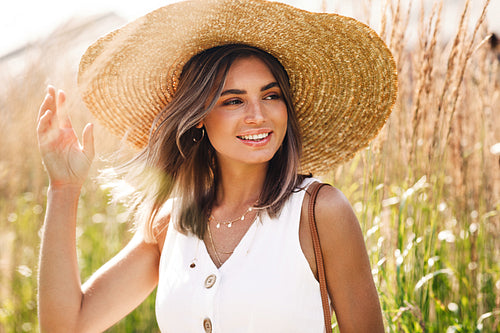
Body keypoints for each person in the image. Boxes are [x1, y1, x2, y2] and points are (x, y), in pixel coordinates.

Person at [37, 0, 397, 332]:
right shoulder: (170, 223)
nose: (258, 116)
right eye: (233, 100)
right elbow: (67, 326)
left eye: (271, 96)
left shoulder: (320, 212)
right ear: (198, 117)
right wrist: (63, 188)